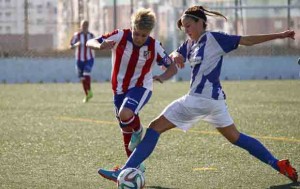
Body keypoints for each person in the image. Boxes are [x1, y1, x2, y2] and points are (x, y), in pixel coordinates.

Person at [98, 5, 298, 183]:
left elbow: (247, 40)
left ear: (201, 23)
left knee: (154, 128)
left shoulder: (214, 38)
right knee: (236, 137)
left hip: (198, 100)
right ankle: (277, 165)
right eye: (184, 27)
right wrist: (176, 56)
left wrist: (280, 35)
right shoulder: (190, 43)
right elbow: (176, 53)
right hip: (215, 102)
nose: (186, 30)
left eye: (189, 26)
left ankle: (125, 170)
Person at [86, 8, 177, 171]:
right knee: (125, 128)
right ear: (132, 28)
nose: (139, 38)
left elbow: (172, 67)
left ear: (149, 33)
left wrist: (162, 77)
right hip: (119, 90)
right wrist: (101, 45)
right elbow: (90, 42)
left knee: (126, 114)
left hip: (141, 87)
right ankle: (132, 168)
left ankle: (139, 130)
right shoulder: (120, 36)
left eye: (144, 35)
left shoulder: (154, 46)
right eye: (136, 33)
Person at [70, 20, 95, 103]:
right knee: (82, 78)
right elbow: (71, 46)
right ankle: (87, 94)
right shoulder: (76, 35)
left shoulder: (91, 35)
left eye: (86, 25)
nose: (84, 27)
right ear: (80, 26)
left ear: (88, 26)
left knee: (86, 74)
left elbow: (96, 44)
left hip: (89, 58)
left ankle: (90, 91)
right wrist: (76, 45)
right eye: (83, 25)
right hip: (79, 59)